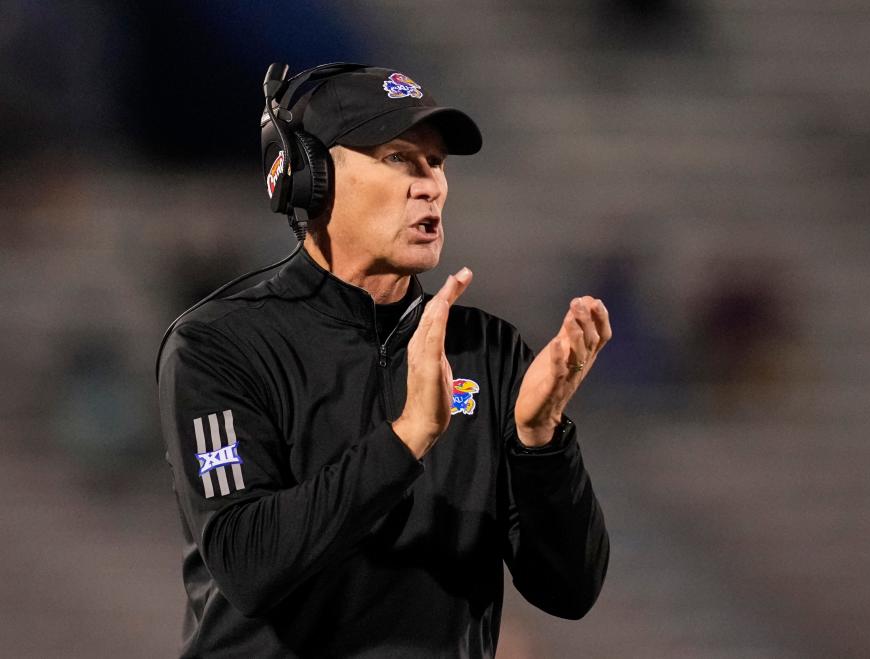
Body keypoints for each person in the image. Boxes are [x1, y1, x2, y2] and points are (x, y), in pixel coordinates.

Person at [157, 63, 611, 658]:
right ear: (307, 176)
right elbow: (248, 564)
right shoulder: (220, 344)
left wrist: (541, 441)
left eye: (437, 163)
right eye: (399, 158)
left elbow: (569, 590)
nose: (431, 185)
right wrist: (406, 440)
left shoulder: (486, 349)